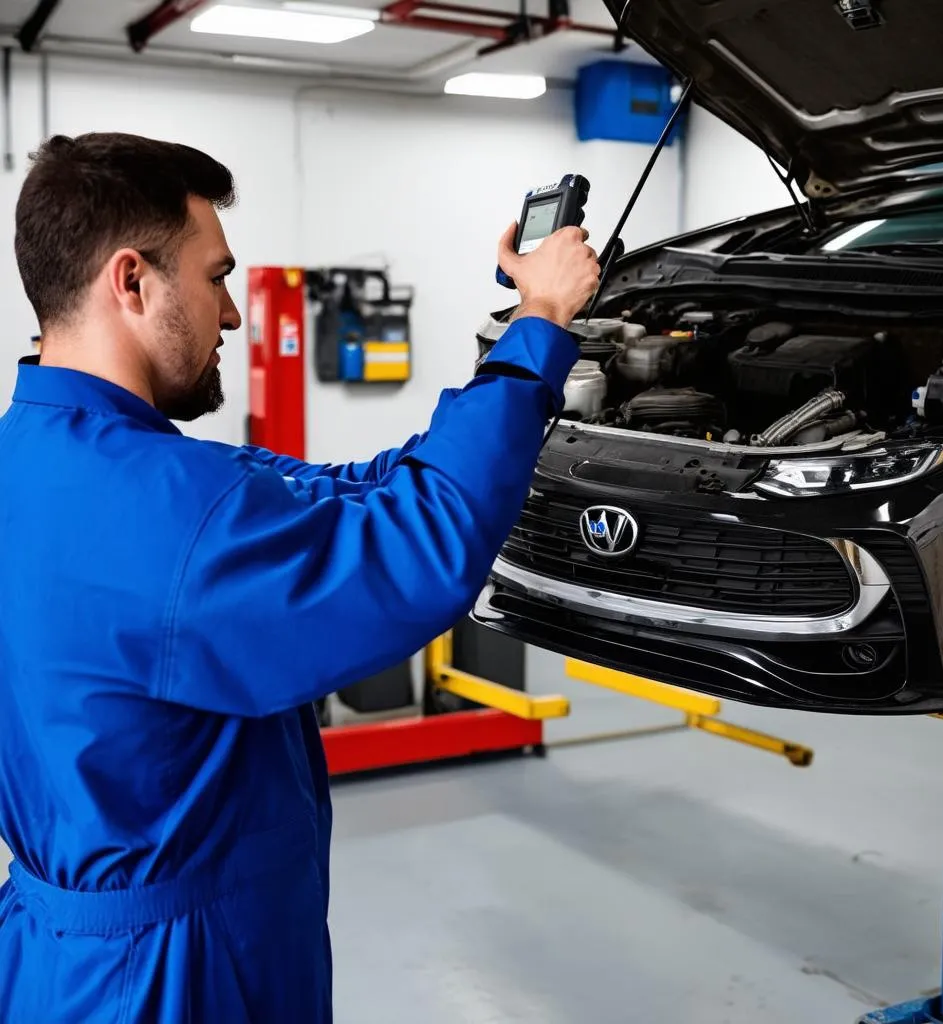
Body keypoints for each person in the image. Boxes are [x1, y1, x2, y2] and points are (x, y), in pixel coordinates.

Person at [0, 132, 599, 1022]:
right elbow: (416, 553)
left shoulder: (41, 458)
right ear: (131, 281)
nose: (234, 314)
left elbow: (319, 494)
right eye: (215, 278)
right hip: (171, 982)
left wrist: (478, 420)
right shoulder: (167, 512)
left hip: (54, 961)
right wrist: (540, 332)